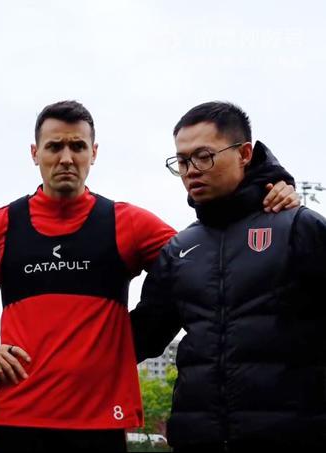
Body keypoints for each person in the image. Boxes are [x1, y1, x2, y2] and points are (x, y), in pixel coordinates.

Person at [0, 100, 298, 452]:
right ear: (35, 153)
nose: (66, 158)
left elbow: (211, 252)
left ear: (94, 153)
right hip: (20, 420)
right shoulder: (2, 225)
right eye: (54, 147)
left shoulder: (125, 223)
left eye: (77, 146)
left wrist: (267, 189)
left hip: (101, 423)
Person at [131, 101, 326, 451]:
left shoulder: (299, 227)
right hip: (197, 438)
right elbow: (137, 337)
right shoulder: (180, 249)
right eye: (182, 161)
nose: (191, 170)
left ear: (244, 153)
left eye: (204, 156)